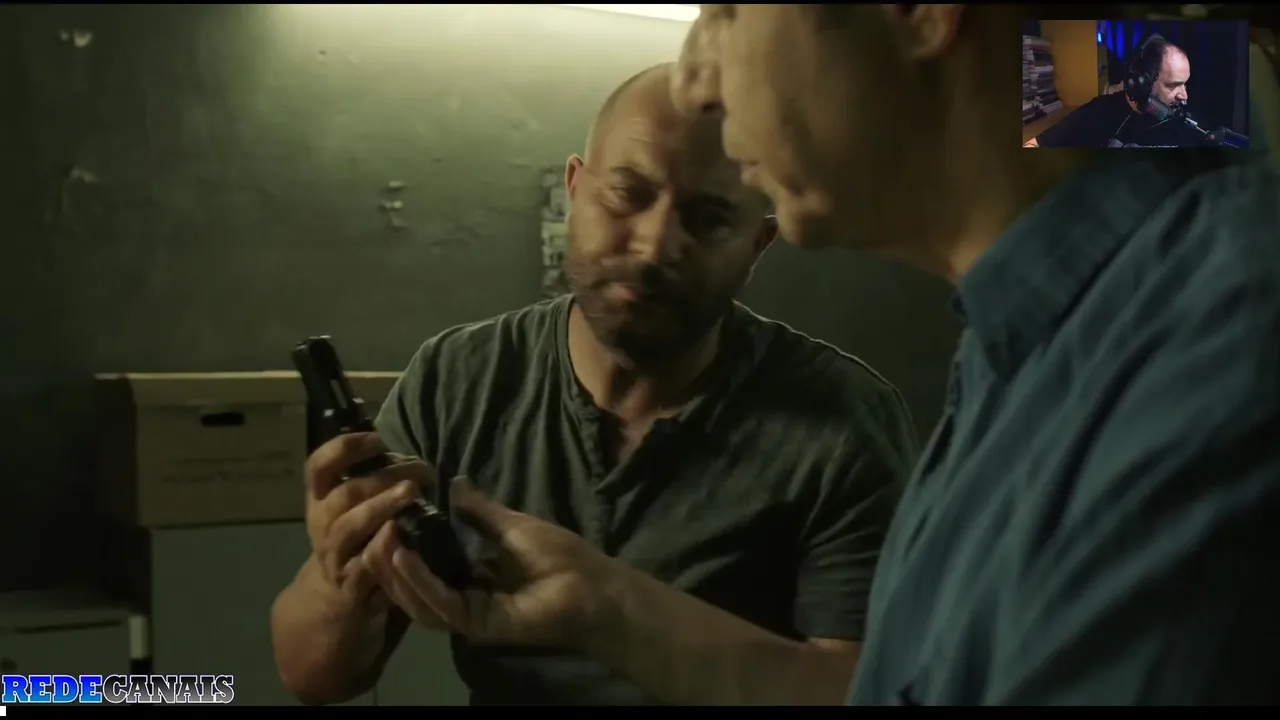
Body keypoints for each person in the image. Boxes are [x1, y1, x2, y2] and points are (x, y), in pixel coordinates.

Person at [321, 5, 1280, 705]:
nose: (696, 80)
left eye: (727, 13)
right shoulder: (1039, 330)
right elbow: (1170, 91)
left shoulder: (1210, 352)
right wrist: (603, 606)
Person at [269, 62, 919, 706]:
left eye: (709, 217)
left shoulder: (844, 424)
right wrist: (341, 574)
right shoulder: (458, 379)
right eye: (628, 194)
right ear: (576, 190)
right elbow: (316, 678)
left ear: (757, 244)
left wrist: (606, 608)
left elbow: (865, 693)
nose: (654, 245)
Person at [1027, 33, 1217, 148]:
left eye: (1185, 84)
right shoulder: (1099, 112)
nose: (1184, 95)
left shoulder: (1192, 125)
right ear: (1140, 83)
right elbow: (1035, 144)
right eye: (1173, 85)